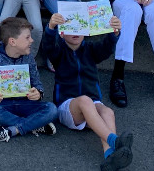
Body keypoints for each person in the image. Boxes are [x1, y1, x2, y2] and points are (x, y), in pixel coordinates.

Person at [42, 12, 134, 170]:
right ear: (62, 33)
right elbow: (48, 46)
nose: (76, 33)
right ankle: (114, 141)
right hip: (68, 106)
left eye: (80, 28)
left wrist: (115, 32)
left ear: (86, 31)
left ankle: (110, 157)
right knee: (85, 101)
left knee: (108, 112)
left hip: (91, 103)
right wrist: (51, 27)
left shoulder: (91, 49)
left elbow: (106, 48)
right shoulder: (59, 52)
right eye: (71, 29)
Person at [0, 17, 57, 143]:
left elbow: (37, 83)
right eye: (27, 37)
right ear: (12, 41)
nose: (32, 40)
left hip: (27, 104)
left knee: (52, 109)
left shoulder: (29, 58)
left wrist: (38, 93)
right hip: (4, 105)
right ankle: (35, 125)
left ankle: (11, 130)